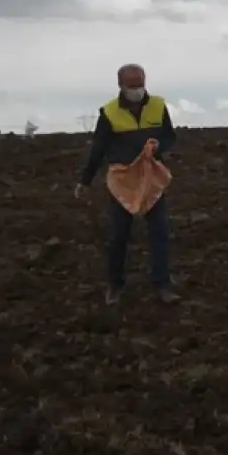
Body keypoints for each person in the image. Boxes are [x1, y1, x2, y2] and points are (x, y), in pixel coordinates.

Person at [75, 63, 180, 305]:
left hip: (151, 178)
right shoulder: (110, 112)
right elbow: (98, 148)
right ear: (121, 85)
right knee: (118, 235)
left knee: (160, 232)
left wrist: (158, 146)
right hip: (123, 181)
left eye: (140, 84)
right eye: (132, 85)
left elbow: (169, 136)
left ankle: (162, 284)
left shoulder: (157, 106)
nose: (137, 89)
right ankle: (115, 285)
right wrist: (85, 180)